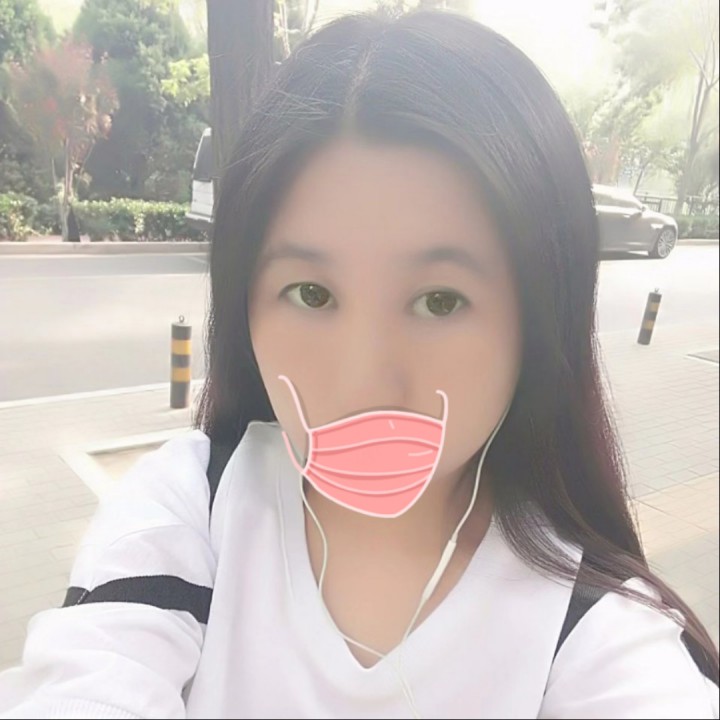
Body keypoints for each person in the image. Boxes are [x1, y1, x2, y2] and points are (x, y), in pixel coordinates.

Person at [0, 9, 718, 719]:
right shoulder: (193, 509)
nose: (364, 381)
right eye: (311, 294)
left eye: (440, 301)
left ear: (539, 320)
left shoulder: (588, 624)